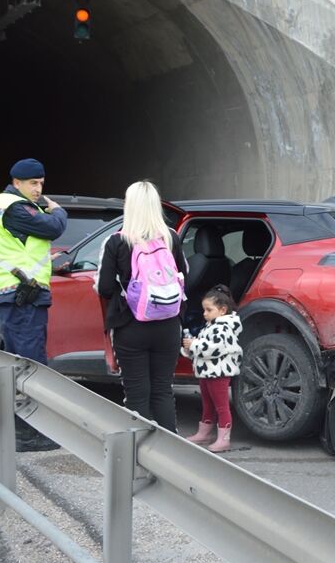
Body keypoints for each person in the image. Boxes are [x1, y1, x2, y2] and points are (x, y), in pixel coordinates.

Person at [0, 158, 68, 452]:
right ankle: (27, 434)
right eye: (33, 183)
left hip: (20, 295)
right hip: (22, 297)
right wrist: (57, 209)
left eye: (41, 183)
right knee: (30, 365)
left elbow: (23, 249)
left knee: (22, 363)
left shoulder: (9, 206)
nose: (38, 189)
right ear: (16, 182)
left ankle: (19, 430)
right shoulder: (14, 207)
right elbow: (54, 226)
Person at [95, 180, 187, 433]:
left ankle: (139, 452)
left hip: (131, 325)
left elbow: (104, 288)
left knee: (137, 395)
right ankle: (170, 451)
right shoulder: (171, 238)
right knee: (163, 391)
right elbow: (183, 276)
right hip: (168, 325)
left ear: (129, 206)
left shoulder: (116, 241)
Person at [181, 285, 243, 452]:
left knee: (221, 406)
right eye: (204, 310)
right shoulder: (212, 325)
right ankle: (205, 433)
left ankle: (224, 438)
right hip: (207, 372)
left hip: (218, 373)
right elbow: (205, 349)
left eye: (209, 310)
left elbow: (213, 348)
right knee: (207, 403)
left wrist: (194, 344)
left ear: (222, 310)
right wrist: (190, 348)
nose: (204, 313)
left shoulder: (224, 327)